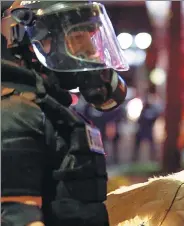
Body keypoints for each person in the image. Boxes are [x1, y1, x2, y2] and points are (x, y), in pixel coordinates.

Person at [1, 1, 129, 225]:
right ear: (33, 43)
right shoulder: (16, 113)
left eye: (91, 35)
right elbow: (18, 216)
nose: (90, 49)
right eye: (77, 36)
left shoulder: (52, 110)